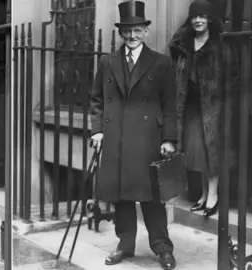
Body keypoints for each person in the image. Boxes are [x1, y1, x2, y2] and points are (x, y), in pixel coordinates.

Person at [89, 1, 177, 269]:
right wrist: (98, 131)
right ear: (120, 33)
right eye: (127, 31)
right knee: (122, 196)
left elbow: (170, 105)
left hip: (148, 138)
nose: (132, 36)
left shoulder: (161, 63)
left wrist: (169, 139)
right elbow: (96, 100)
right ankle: (124, 246)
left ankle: (162, 247)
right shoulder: (107, 62)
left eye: (137, 30)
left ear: (145, 32)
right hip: (116, 137)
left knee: (152, 197)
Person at [169, 0, 224, 218]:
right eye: (194, 17)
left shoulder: (220, 44)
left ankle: (213, 195)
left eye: (202, 16)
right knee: (198, 151)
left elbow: (231, 76)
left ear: (209, 19)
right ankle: (203, 194)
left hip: (214, 106)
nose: (198, 20)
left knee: (213, 150)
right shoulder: (185, 44)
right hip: (191, 106)